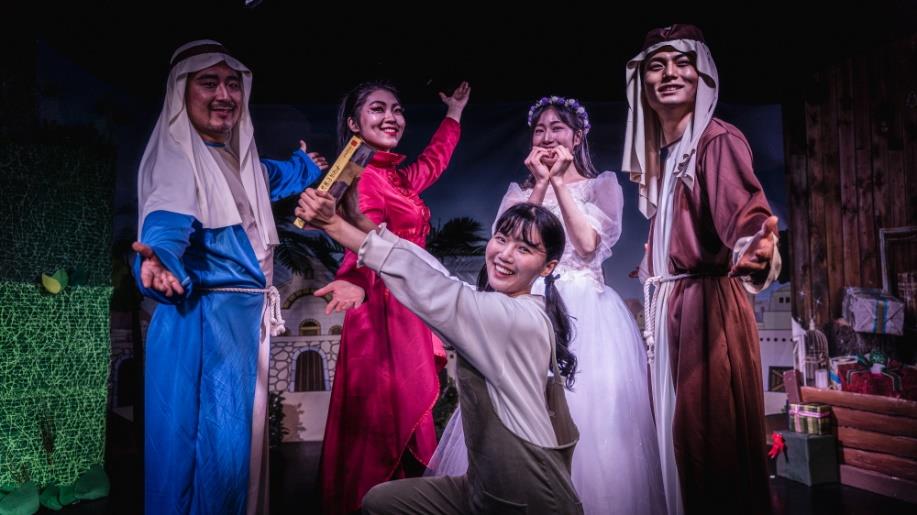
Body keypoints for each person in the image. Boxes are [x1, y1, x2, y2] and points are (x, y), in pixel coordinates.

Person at [427, 96, 666, 514]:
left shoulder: (602, 185)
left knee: (589, 414)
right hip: (528, 307)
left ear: (577, 136)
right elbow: (508, 248)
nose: (548, 137)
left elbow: (587, 246)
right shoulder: (520, 193)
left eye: (557, 128)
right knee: (519, 407)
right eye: (540, 130)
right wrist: (539, 185)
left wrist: (559, 183)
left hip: (587, 315)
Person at [297, 185, 583, 514]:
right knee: (382, 501)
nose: (505, 254)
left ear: (547, 267)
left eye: (524, 249)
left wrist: (333, 225)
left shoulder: (513, 317)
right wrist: (360, 220)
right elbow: (436, 272)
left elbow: (433, 286)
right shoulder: (512, 307)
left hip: (530, 496)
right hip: (484, 487)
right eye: (501, 239)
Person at [133, 39, 326, 514]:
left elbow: (270, 177)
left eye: (232, 84)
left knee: (238, 453)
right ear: (182, 91)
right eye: (208, 83)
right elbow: (165, 224)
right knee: (206, 457)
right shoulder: (177, 160)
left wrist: (305, 167)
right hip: (204, 328)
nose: (224, 95)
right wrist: (157, 263)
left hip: (238, 328)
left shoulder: (236, 158)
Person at [621, 24, 781, 514]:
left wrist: (756, 247)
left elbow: (747, 216)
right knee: (676, 444)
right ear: (642, 83)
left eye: (682, 63)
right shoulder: (671, 154)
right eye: (656, 65)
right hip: (675, 311)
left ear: (703, 74)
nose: (670, 73)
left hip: (705, 315)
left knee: (708, 443)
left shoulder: (716, 141)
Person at [315, 81, 470, 514]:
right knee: (381, 431)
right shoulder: (363, 177)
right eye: (378, 109)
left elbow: (433, 162)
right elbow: (359, 242)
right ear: (354, 123)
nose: (391, 117)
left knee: (399, 423)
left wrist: (454, 115)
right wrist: (355, 282)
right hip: (379, 314)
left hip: (405, 307)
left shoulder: (395, 177)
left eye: (397, 109)